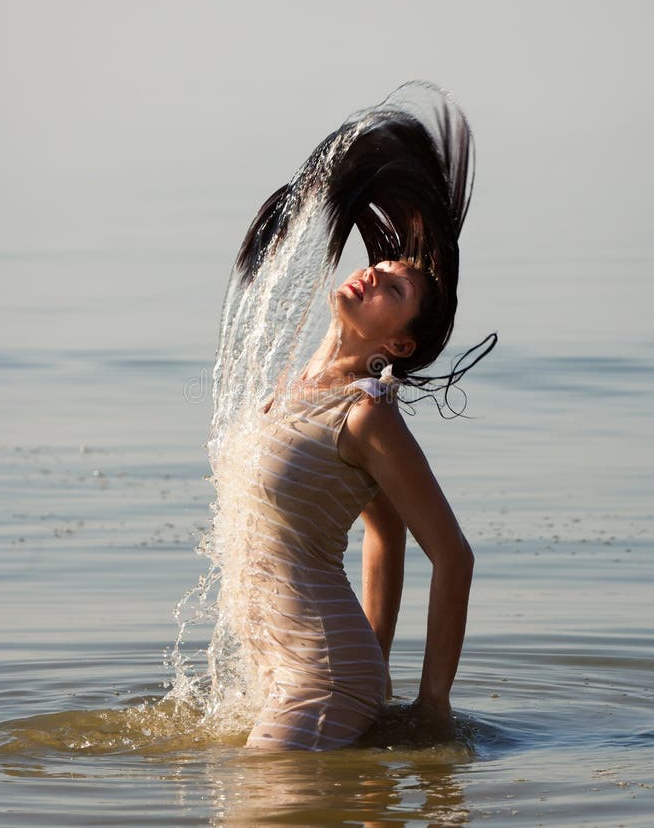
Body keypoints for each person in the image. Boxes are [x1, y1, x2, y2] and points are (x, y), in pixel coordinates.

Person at [209, 83, 495, 751]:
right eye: (383, 267)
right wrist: (380, 671)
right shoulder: (297, 387)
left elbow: (453, 556)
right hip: (287, 671)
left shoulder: (368, 416)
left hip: (320, 679)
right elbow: (384, 535)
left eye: (394, 288)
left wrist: (431, 704)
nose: (375, 275)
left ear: (398, 344)